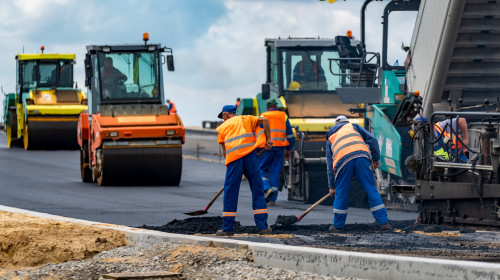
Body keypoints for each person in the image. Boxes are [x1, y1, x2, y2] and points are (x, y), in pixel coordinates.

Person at [215, 105, 273, 236]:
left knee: (230, 192)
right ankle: (262, 226)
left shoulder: (222, 128)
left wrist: (236, 169)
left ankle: (227, 228)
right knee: (258, 190)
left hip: (234, 160)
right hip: (250, 157)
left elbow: (225, 153)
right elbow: (265, 120)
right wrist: (269, 139)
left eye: (223, 117)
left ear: (225, 115)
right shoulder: (246, 119)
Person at [326, 115, 391, 232]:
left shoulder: (331, 137)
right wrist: (375, 160)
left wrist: (332, 186)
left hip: (342, 162)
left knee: (341, 193)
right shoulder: (354, 127)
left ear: (336, 125)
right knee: (372, 190)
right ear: (346, 122)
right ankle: (384, 223)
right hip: (362, 157)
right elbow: (373, 140)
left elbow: (330, 166)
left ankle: (338, 226)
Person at [257, 99, 295, 206]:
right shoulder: (283, 116)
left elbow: (259, 133)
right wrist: (289, 148)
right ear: (275, 106)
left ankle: (266, 188)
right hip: (280, 148)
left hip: (266, 148)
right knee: (275, 173)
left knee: (260, 169)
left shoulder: (263, 115)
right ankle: (272, 200)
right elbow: (290, 135)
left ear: (267, 107)